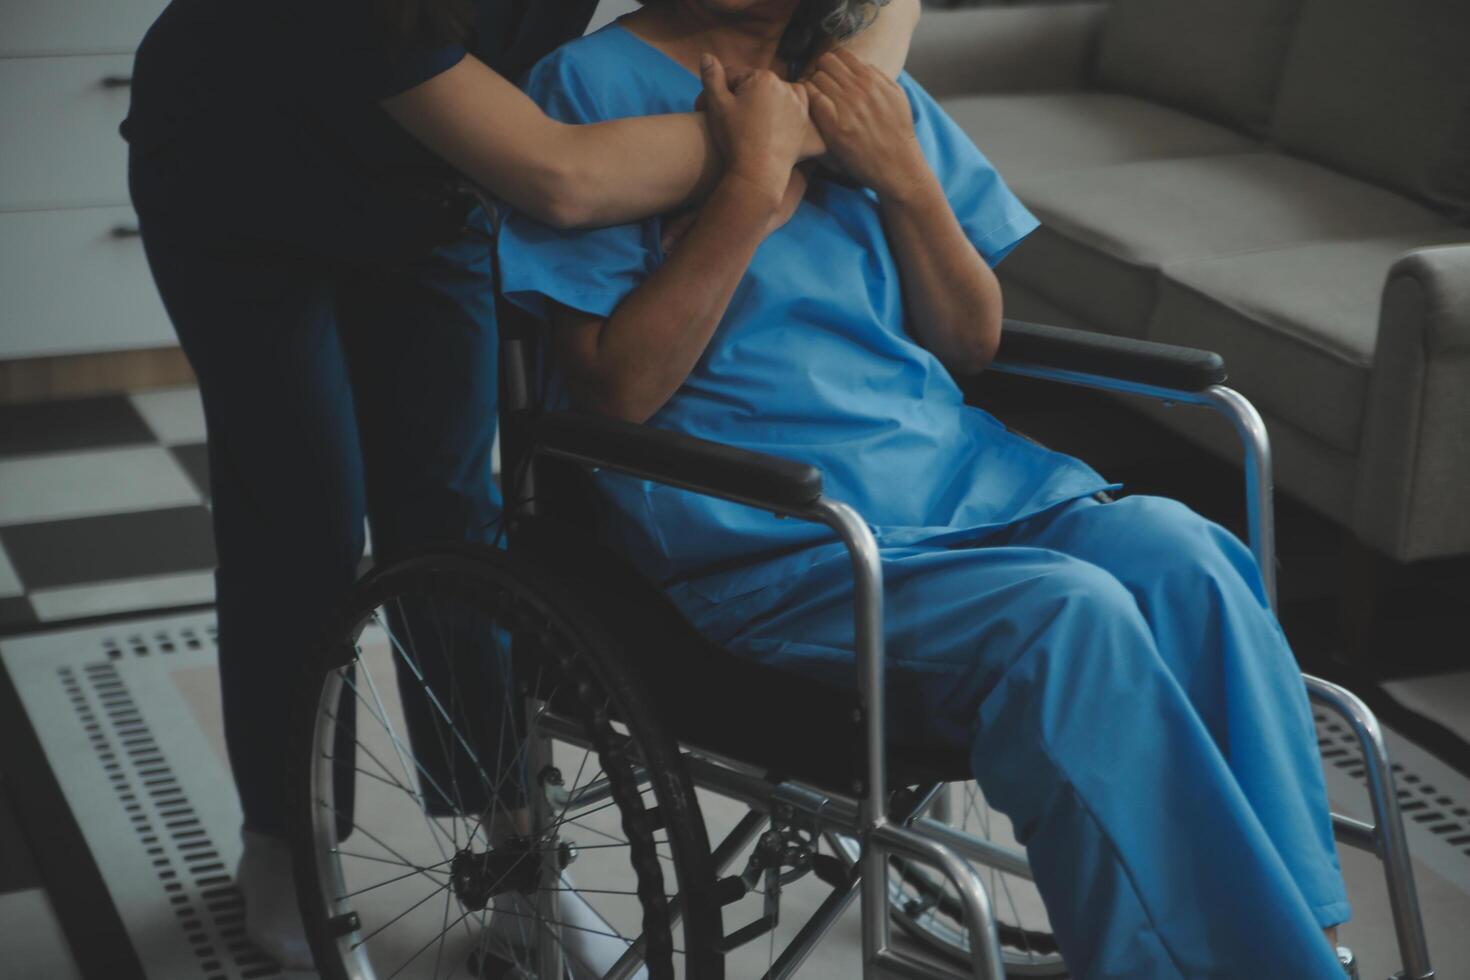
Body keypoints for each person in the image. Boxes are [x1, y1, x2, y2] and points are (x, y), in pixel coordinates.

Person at [495, 0, 1358, 976]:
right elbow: (616, 393)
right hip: (778, 533)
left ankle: (1317, 948)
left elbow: (971, 340)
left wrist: (905, 178)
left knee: (1184, 554)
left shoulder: (853, 82)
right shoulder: (586, 89)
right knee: (1070, 619)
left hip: (965, 486)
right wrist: (745, 186)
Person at [121, 0, 919, 969]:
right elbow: (561, 179)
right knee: (303, 515)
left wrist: (805, 99)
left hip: (436, 177)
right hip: (244, 168)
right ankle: (286, 841)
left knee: (456, 513)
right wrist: (773, 146)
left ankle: (516, 860)